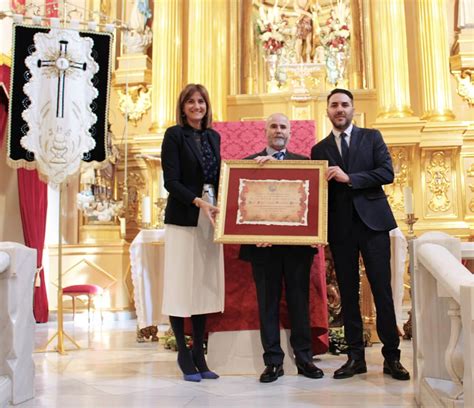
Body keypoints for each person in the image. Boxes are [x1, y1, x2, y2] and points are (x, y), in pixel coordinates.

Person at [311, 89, 410, 381]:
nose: (339, 110)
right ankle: (355, 358)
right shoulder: (319, 150)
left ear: (353, 108)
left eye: (344, 105)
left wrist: (350, 178)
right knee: (348, 294)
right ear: (327, 111)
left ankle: (392, 357)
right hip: (340, 229)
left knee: (381, 290)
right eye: (334, 106)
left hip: (373, 224)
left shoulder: (372, 137)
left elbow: (386, 173)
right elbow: (316, 192)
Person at [239, 113, 323, 383]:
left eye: (283, 126)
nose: (278, 130)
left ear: (290, 132)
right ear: (265, 131)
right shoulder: (248, 165)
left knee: (300, 303)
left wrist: (315, 231)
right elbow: (241, 208)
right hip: (263, 248)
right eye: (273, 126)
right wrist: (254, 236)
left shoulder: (306, 164)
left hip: (297, 249)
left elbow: (314, 205)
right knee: (268, 305)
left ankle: (305, 359)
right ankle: (273, 362)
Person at [161, 84, 224, 382]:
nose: (197, 106)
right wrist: (198, 201)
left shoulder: (213, 136)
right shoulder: (174, 135)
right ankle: (184, 353)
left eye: (201, 101)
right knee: (179, 283)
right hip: (184, 216)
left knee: (202, 284)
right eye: (191, 101)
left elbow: (221, 176)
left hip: (210, 218)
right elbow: (170, 181)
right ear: (183, 107)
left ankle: (200, 351)